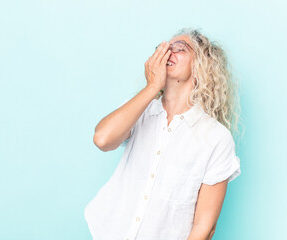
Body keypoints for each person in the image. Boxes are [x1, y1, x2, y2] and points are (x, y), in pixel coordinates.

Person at [84, 27, 242, 240]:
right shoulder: (140, 109)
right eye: (163, 49)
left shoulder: (215, 138)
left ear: (201, 65)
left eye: (179, 49)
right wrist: (152, 88)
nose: (167, 53)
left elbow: (204, 227)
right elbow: (102, 139)